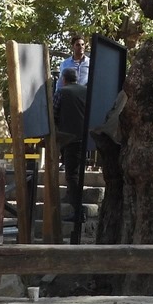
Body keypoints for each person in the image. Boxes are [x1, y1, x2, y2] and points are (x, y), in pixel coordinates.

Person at [54, 67, 88, 221]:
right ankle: (75, 203)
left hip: (69, 138)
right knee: (78, 174)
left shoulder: (61, 92)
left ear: (64, 79)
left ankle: (78, 211)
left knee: (71, 175)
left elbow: (53, 113)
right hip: (85, 138)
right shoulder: (86, 91)